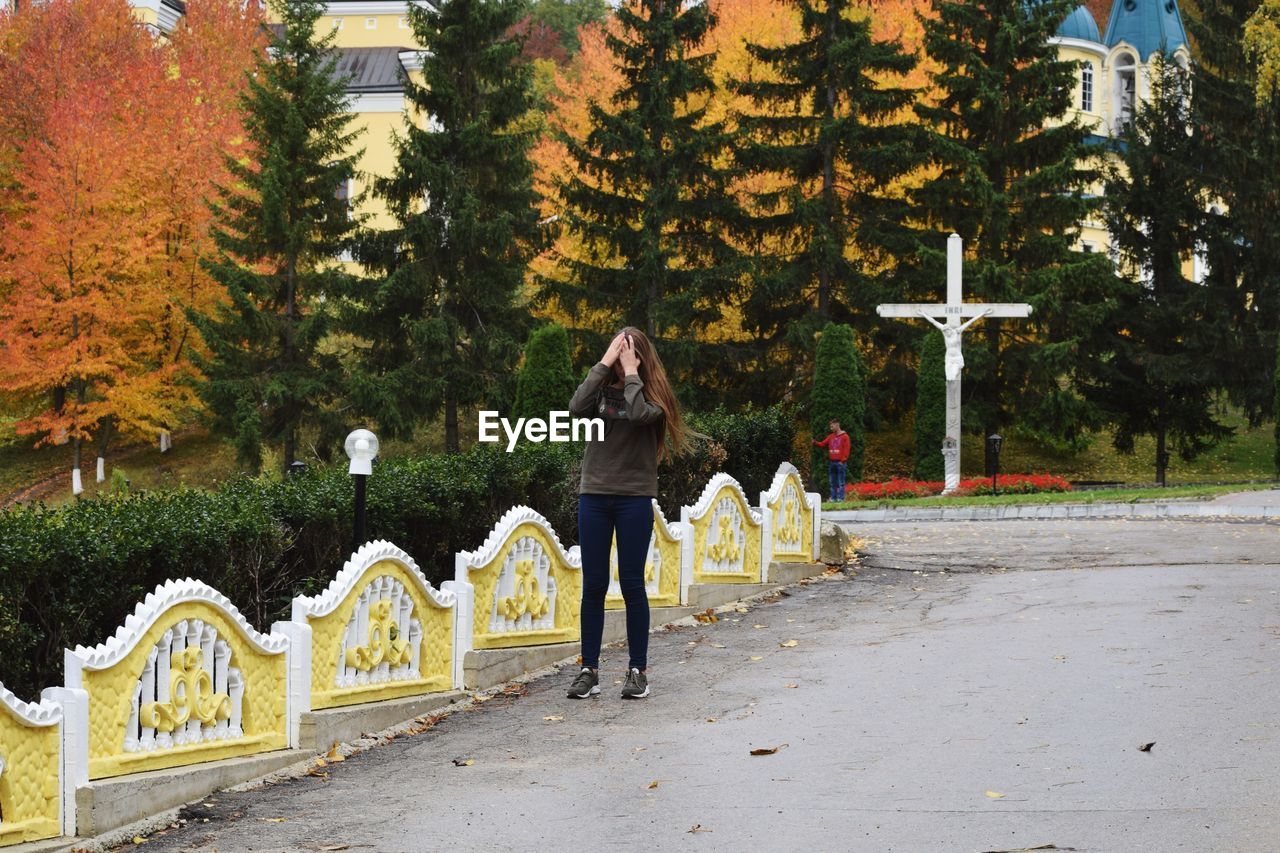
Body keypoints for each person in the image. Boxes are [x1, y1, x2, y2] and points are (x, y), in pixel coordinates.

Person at [564, 327, 694, 700]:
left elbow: (636, 414)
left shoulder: (655, 400)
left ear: (641, 356)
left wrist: (632, 372)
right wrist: (604, 363)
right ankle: (589, 669)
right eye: (618, 349)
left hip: (634, 498)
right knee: (594, 585)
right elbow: (575, 408)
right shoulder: (600, 391)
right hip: (595, 495)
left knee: (633, 584)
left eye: (628, 351)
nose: (621, 357)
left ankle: (638, 670)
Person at [814, 420, 850, 503]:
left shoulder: (845, 437)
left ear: (837, 426)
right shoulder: (831, 436)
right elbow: (823, 444)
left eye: (832, 426)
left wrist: (843, 460)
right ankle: (834, 498)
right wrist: (815, 442)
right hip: (832, 462)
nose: (831, 428)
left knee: (841, 482)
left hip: (840, 463)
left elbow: (846, 449)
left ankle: (841, 499)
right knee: (832, 482)